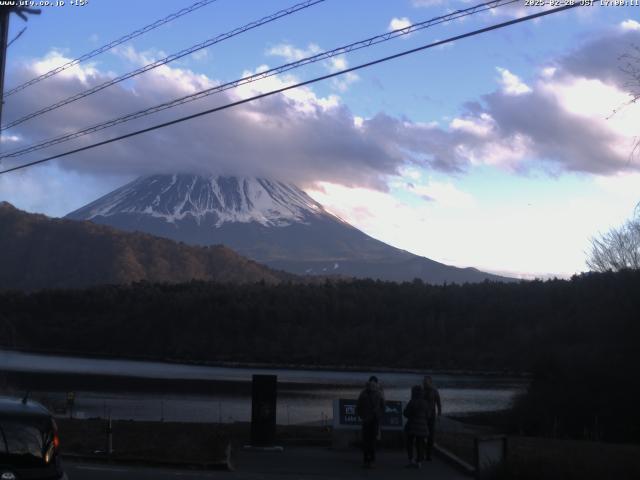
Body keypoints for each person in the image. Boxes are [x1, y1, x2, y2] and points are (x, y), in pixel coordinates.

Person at [356, 375, 385, 468]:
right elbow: (383, 406)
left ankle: (365, 460)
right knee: (372, 441)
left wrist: (362, 416)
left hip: (366, 420)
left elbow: (358, 406)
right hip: (375, 420)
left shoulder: (363, 393)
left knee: (365, 441)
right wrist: (379, 416)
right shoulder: (379, 393)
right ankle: (372, 460)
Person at [403, 384, 429, 469]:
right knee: (420, 444)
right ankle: (419, 462)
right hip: (422, 427)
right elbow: (428, 415)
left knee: (410, 443)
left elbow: (406, 413)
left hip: (412, 426)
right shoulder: (425, 403)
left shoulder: (412, 402)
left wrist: (409, 414)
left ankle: (411, 460)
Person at [423, 375, 442, 461]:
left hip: (431, 415)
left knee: (431, 435)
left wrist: (439, 413)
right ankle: (422, 453)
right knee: (422, 434)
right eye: (424, 381)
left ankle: (428, 454)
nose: (425, 383)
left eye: (426, 381)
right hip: (422, 415)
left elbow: (438, 402)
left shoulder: (434, 391)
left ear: (430, 382)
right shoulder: (422, 390)